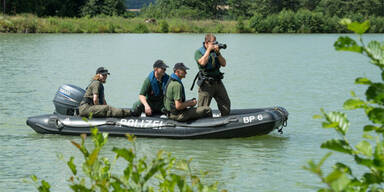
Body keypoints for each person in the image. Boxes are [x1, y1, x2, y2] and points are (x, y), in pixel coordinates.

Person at [194, 34, 231, 116]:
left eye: (216, 42)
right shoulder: (198, 52)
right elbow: (202, 63)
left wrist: (218, 53)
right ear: (207, 43)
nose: (215, 44)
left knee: (226, 105)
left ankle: (225, 122)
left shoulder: (215, 52)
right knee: (202, 109)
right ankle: (203, 123)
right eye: (213, 43)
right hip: (206, 84)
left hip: (217, 82)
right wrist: (208, 50)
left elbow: (224, 63)